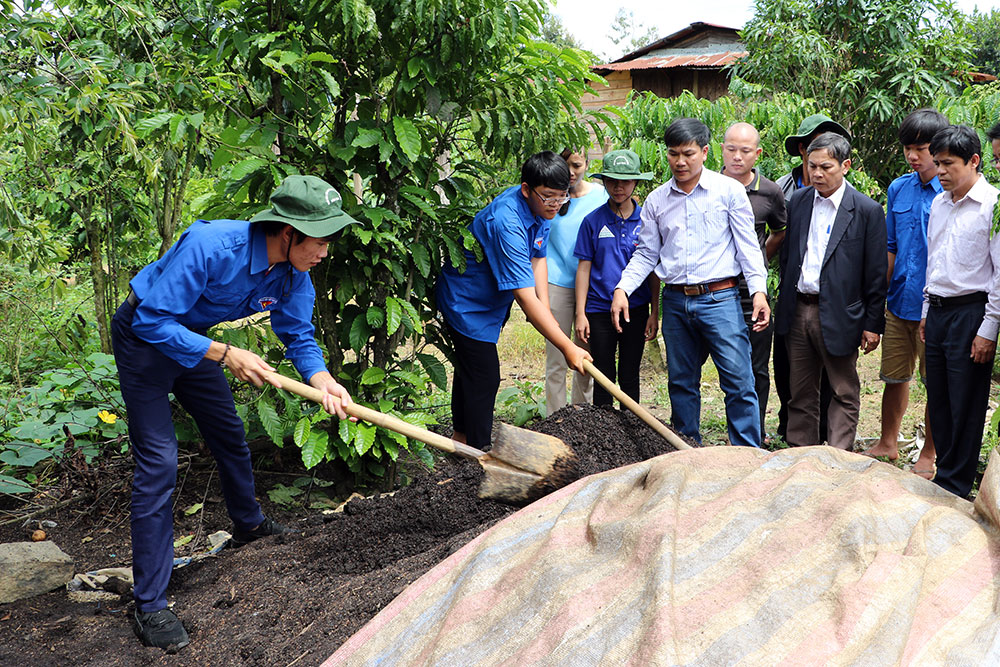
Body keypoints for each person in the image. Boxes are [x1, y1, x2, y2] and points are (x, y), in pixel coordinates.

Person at [112, 175, 356, 651]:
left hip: (196, 343)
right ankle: (151, 606)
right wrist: (225, 354)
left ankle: (247, 525)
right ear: (288, 232)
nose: (325, 253)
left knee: (229, 434)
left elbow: (298, 335)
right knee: (159, 463)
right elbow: (149, 319)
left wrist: (323, 380)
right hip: (146, 340)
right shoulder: (210, 245)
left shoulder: (295, 273)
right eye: (321, 241)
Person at [611, 118, 769, 448]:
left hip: (720, 298)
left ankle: (746, 456)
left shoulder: (729, 192)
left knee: (738, 380)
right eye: (673, 154)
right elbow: (646, 253)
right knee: (681, 382)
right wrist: (622, 289)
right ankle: (687, 451)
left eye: (688, 153)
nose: (680, 162)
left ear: (705, 152)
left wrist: (758, 291)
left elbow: (747, 247)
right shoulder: (656, 200)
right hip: (676, 302)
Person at [436, 152, 591, 448]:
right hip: (466, 303)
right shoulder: (507, 221)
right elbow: (523, 295)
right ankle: (479, 453)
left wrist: (545, 308)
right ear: (526, 189)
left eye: (562, 198)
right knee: (485, 376)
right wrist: (567, 345)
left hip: (490, 304)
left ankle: (460, 439)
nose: (556, 205)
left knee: (471, 371)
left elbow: (538, 256)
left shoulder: (543, 207)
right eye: (549, 198)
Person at [774, 132, 887, 450]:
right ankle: (802, 456)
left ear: (846, 165)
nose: (818, 174)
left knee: (843, 390)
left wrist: (872, 323)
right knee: (801, 390)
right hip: (799, 310)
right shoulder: (798, 201)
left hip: (841, 312)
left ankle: (838, 460)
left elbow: (876, 273)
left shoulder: (866, 210)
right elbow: (789, 257)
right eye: (812, 166)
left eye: (826, 166)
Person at [861, 109, 948, 478]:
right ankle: (888, 442)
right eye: (908, 149)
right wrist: (877, 298)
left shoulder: (952, 191)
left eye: (921, 149)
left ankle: (928, 453)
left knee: (935, 384)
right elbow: (891, 247)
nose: (913, 156)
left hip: (937, 308)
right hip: (899, 302)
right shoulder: (898, 188)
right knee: (894, 377)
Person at [920, 125, 1000, 498]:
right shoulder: (940, 202)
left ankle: (956, 483)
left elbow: (999, 273)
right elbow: (933, 259)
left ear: (974, 161)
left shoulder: (992, 206)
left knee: (965, 399)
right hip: (937, 310)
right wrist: (925, 309)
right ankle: (944, 475)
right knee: (938, 397)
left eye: (948, 163)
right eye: (936, 163)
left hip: (971, 313)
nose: (940, 171)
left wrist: (989, 327)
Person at [774, 114, 853, 443]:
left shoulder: (857, 206)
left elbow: (870, 270)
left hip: (836, 307)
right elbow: (786, 250)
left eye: (827, 163)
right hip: (798, 301)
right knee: (795, 381)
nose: (818, 170)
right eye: (812, 157)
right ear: (803, 152)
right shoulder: (788, 194)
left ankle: (833, 450)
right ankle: (795, 443)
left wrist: (865, 318)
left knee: (839, 385)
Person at [573, 149, 659, 406]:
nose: (618, 187)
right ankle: (604, 433)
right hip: (598, 309)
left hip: (636, 309)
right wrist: (580, 312)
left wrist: (655, 312)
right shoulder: (593, 221)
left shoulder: (647, 220)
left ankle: (631, 428)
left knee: (630, 374)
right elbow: (584, 268)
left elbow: (653, 269)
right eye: (612, 181)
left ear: (635, 182)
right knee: (603, 374)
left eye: (625, 181)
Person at [720, 122, 787, 439]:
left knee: (757, 366)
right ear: (719, 150)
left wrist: (757, 264)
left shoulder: (770, 192)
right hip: (712, 292)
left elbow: (779, 232)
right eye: (730, 149)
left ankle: (754, 432)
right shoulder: (707, 184)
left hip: (751, 294)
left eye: (744, 151)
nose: (736, 157)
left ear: (757, 153)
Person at [543, 148, 605, 415]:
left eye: (577, 165)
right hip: (556, 283)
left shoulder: (602, 196)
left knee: (585, 355)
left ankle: (581, 416)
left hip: (591, 286)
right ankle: (555, 418)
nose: (571, 172)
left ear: (587, 164)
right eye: (566, 165)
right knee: (556, 356)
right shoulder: (552, 197)